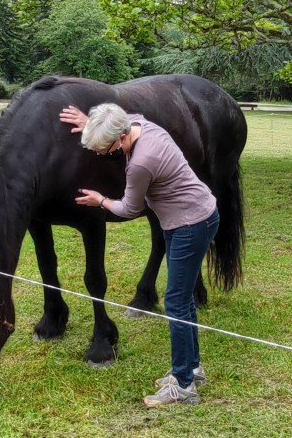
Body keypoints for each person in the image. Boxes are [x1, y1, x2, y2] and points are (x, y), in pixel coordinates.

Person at [60, 102, 219, 407]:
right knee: (182, 300)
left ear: (120, 139)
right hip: (192, 216)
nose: (101, 155)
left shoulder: (141, 163)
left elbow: (129, 208)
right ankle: (192, 368)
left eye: (104, 149)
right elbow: (120, 115)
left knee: (175, 302)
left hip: (190, 224)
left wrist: (101, 200)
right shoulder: (139, 125)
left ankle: (183, 385)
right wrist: (90, 122)